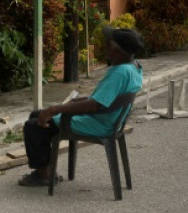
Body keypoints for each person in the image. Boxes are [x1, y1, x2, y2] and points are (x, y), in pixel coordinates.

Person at [17, 26, 144, 186]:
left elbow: (94, 106)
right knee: (37, 115)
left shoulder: (120, 72)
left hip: (99, 123)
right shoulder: (134, 66)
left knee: (33, 126)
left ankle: (44, 174)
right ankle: (46, 168)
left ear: (116, 50)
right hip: (109, 119)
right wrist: (75, 101)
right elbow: (105, 98)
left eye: (106, 44)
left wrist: (54, 109)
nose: (103, 46)